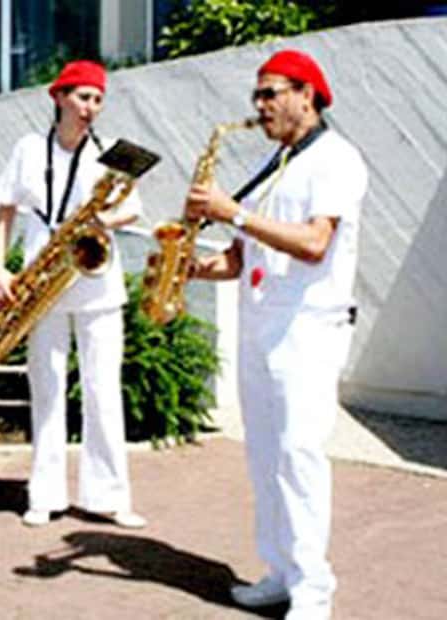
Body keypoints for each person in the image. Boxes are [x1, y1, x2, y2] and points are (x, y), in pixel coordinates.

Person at [184, 49, 367, 620]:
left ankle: (314, 593)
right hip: (261, 323)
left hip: (309, 327)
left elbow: (314, 244)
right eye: (256, 96)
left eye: (271, 93)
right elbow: (243, 258)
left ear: (306, 94)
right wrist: (189, 267)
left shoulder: (336, 159)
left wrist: (230, 211)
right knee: (264, 456)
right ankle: (279, 572)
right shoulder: (278, 164)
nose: (259, 106)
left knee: (299, 455)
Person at [0, 60, 146, 530]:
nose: (90, 107)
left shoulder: (110, 152)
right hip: (43, 281)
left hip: (96, 280)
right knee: (48, 388)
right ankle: (45, 493)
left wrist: (102, 222)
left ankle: (110, 497)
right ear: (58, 97)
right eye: (82, 97)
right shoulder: (28, 149)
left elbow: (134, 207)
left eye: (97, 99)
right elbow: (5, 210)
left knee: (102, 391)